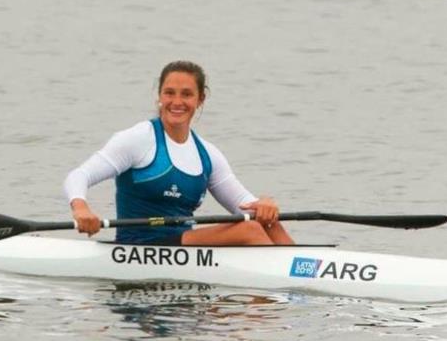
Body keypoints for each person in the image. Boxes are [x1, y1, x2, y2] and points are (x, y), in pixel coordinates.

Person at [63, 60, 294, 246]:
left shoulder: (207, 154)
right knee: (249, 230)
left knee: (266, 221)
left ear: (200, 99)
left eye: (186, 94)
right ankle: (284, 289)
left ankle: (304, 270)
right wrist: (81, 207)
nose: (177, 102)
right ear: (159, 96)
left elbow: (244, 205)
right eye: (169, 93)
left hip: (181, 246)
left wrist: (264, 204)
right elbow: (78, 176)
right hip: (138, 246)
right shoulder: (138, 139)